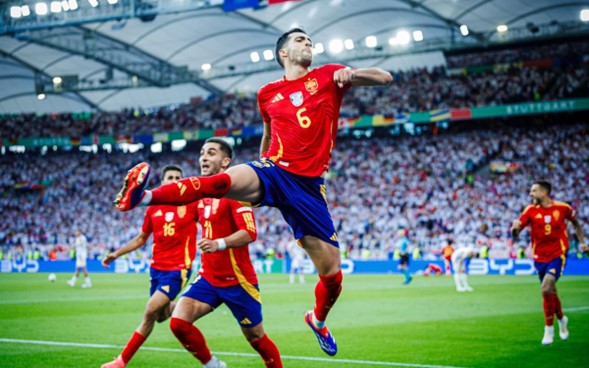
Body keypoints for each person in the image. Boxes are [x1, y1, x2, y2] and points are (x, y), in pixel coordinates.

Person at [114, 27, 392, 356]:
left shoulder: (329, 75)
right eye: (301, 41)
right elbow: (269, 133)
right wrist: (259, 168)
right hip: (275, 169)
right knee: (221, 183)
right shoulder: (267, 94)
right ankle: (142, 196)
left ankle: (317, 320)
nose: (309, 44)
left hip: (308, 186)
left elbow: (384, 77)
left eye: (310, 41)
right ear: (284, 53)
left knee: (332, 275)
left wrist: (354, 74)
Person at [169, 138, 282, 368]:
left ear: (225, 162)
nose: (203, 157)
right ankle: (214, 365)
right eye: (202, 153)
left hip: (238, 281)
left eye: (211, 153)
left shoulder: (236, 192)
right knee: (178, 323)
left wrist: (218, 243)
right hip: (209, 277)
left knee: (256, 339)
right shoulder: (202, 193)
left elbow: (250, 232)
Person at [101, 165, 199, 368]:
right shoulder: (153, 208)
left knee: (149, 312)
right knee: (161, 315)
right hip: (156, 269)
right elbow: (141, 239)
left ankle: (121, 361)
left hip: (178, 269)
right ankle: (186, 306)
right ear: (162, 182)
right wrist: (116, 254)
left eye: (177, 178)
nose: (173, 180)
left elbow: (211, 220)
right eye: (169, 177)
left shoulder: (191, 204)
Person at [511, 180, 587, 346]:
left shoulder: (563, 208)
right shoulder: (530, 210)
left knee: (546, 288)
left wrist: (582, 242)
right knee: (550, 291)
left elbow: (576, 223)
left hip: (558, 254)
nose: (531, 194)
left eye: (534, 191)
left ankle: (548, 329)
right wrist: (514, 228)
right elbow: (517, 232)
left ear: (544, 192)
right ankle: (562, 319)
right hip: (539, 257)